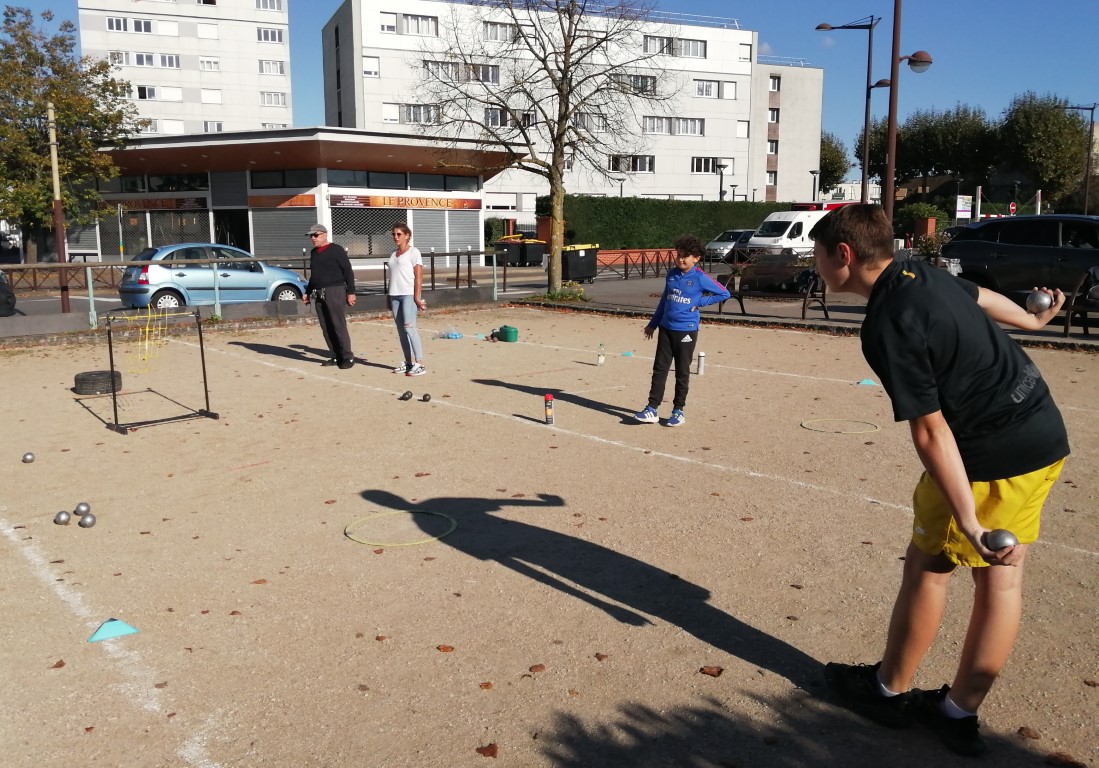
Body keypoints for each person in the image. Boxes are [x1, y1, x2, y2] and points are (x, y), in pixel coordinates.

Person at [809, 205, 1070, 757]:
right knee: (1004, 577)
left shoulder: (888, 321)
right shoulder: (916, 271)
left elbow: (931, 432)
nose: (815, 265)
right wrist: (1031, 320)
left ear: (844, 255)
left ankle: (889, 691)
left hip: (990, 455)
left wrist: (970, 522)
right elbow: (976, 294)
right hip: (1042, 432)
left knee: (931, 566)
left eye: (818, 254)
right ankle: (957, 710)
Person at [634, 234, 730, 427]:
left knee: (682, 371)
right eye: (679, 255)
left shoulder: (700, 277)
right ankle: (652, 408)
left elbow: (724, 293)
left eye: (686, 256)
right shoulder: (671, 275)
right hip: (666, 328)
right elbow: (664, 301)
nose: (681, 259)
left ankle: (678, 411)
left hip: (686, 330)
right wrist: (653, 324)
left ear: (696, 258)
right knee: (659, 369)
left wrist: (700, 302)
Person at [302, 224, 356, 369]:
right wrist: (307, 291)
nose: (313, 238)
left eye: (316, 235)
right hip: (319, 292)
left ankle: (347, 356)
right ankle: (335, 355)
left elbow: (347, 271)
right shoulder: (314, 253)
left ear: (325, 235)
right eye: (311, 236)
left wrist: (351, 291)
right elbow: (314, 276)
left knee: (338, 325)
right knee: (326, 327)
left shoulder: (336, 250)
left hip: (335, 291)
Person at [387, 222, 427, 376]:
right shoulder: (393, 254)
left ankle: (420, 363)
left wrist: (417, 297)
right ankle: (408, 362)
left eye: (399, 234)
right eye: (394, 234)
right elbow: (392, 277)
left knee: (409, 328)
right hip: (394, 295)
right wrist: (388, 297)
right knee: (401, 331)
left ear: (407, 236)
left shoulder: (413, 252)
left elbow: (419, 276)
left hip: (408, 295)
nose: (395, 237)